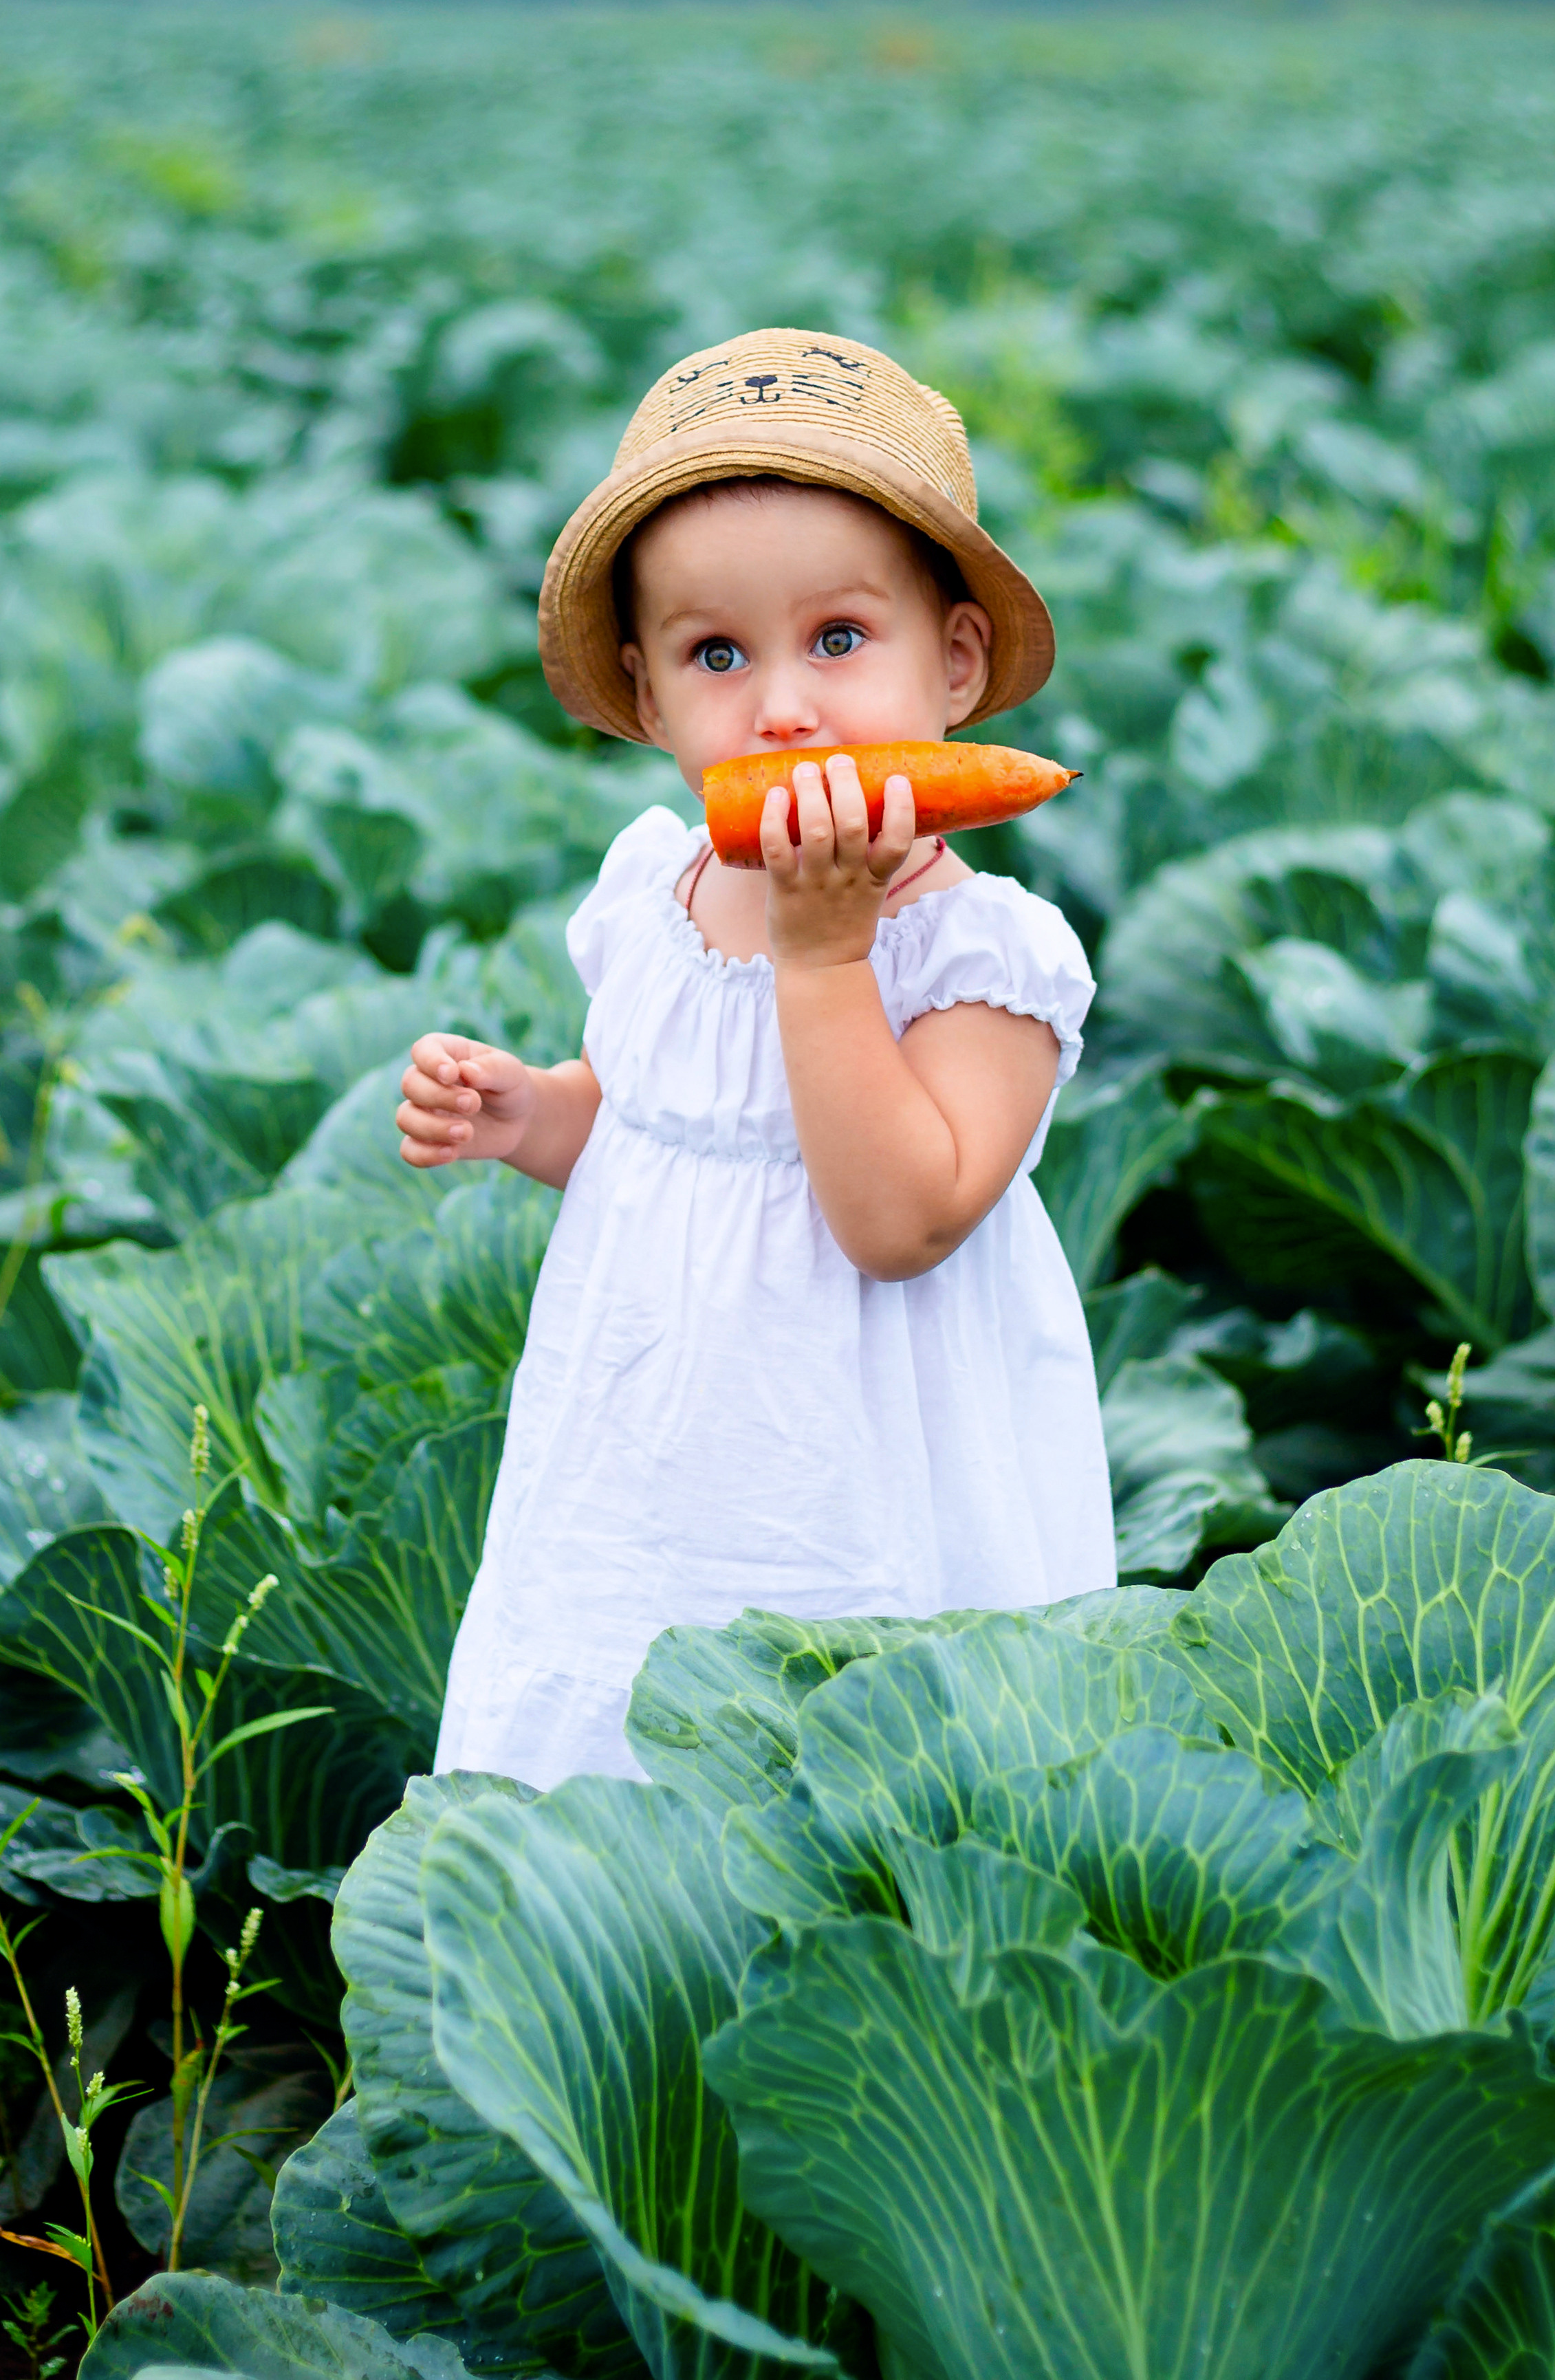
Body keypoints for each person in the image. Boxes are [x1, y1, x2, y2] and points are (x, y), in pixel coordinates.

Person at [396, 327, 1115, 1790]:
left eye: (839, 639)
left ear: (955, 662)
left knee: (849, 1775)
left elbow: (900, 1220)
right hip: (645, 1451)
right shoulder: (659, 891)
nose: (781, 706)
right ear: (650, 698)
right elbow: (655, 1129)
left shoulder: (982, 958)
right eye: (716, 655)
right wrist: (531, 1115)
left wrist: (825, 959)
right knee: (616, 1754)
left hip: (860, 1478)